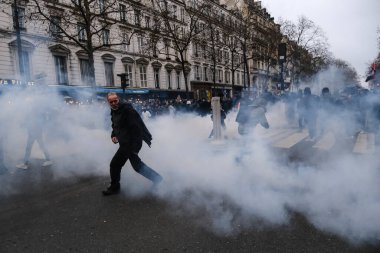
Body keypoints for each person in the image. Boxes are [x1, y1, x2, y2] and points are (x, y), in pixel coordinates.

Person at [103, 93, 163, 196]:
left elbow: (137, 129)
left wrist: (135, 148)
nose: (113, 103)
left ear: (119, 99)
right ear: (108, 102)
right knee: (137, 166)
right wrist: (113, 135)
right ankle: (157, 178)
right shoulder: (114, 111)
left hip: (129, 144)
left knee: (115, 164)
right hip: (124, 143)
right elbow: (115, 125)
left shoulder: (127, 110)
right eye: (111, 102)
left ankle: (114, 187)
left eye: (115, 101)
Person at [16, 100, 52, 170]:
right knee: (41, 146)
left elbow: (35, 122)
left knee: (28, 148)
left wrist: (26, 125)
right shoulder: (38, 112)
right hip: (35, 131)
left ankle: (25, 163)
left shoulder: (37, 112)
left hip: (34, 132)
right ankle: (48, 159)